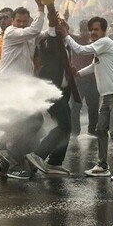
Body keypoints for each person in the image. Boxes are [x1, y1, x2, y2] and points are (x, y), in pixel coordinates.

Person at [63, 16, 113, 181]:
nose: (93, 32)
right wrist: (78, 73)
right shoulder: (100, 48)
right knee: (101, 130)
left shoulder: (105, 42)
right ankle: (102, 166)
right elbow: (94, 65)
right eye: (91, 30)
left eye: (96, 29)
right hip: (107, 96)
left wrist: (66, 34)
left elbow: (80, 50)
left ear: (104, 31)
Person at [0, 2, 46, 179]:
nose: (22, 24)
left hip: (23, 88)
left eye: (25, 21)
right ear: (13, 22)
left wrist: (56, 24)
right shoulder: (11, 32)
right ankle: (14, 164)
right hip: (9, 85)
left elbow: (44, 34)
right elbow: (34, 30)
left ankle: (8, 150)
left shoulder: (28, 37)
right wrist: (41, 10)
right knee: (19, 122)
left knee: (34, 120)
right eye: (19, 21)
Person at [25, 16, 73, 176]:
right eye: (57, 26)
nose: (61, 28)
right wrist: (53, 26)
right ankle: (38, 154)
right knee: (65, 125)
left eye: (63, 25)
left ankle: (55, 161)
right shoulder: (48, 43)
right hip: (50, 90)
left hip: (63, 90)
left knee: (66, 125)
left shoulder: (68, 44)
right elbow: (51, 39)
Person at [69, 19, 100, 137]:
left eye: (89, 30)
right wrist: (65, 19)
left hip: (93, 80)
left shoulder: (96, 42)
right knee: (76, 107)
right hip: (78, 80)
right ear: (80, 30)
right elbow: (64, 32)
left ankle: (92, 130)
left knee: (93, 106)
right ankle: (75, 132)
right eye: (84, 30)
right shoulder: (75, 40)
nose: (87, 33)